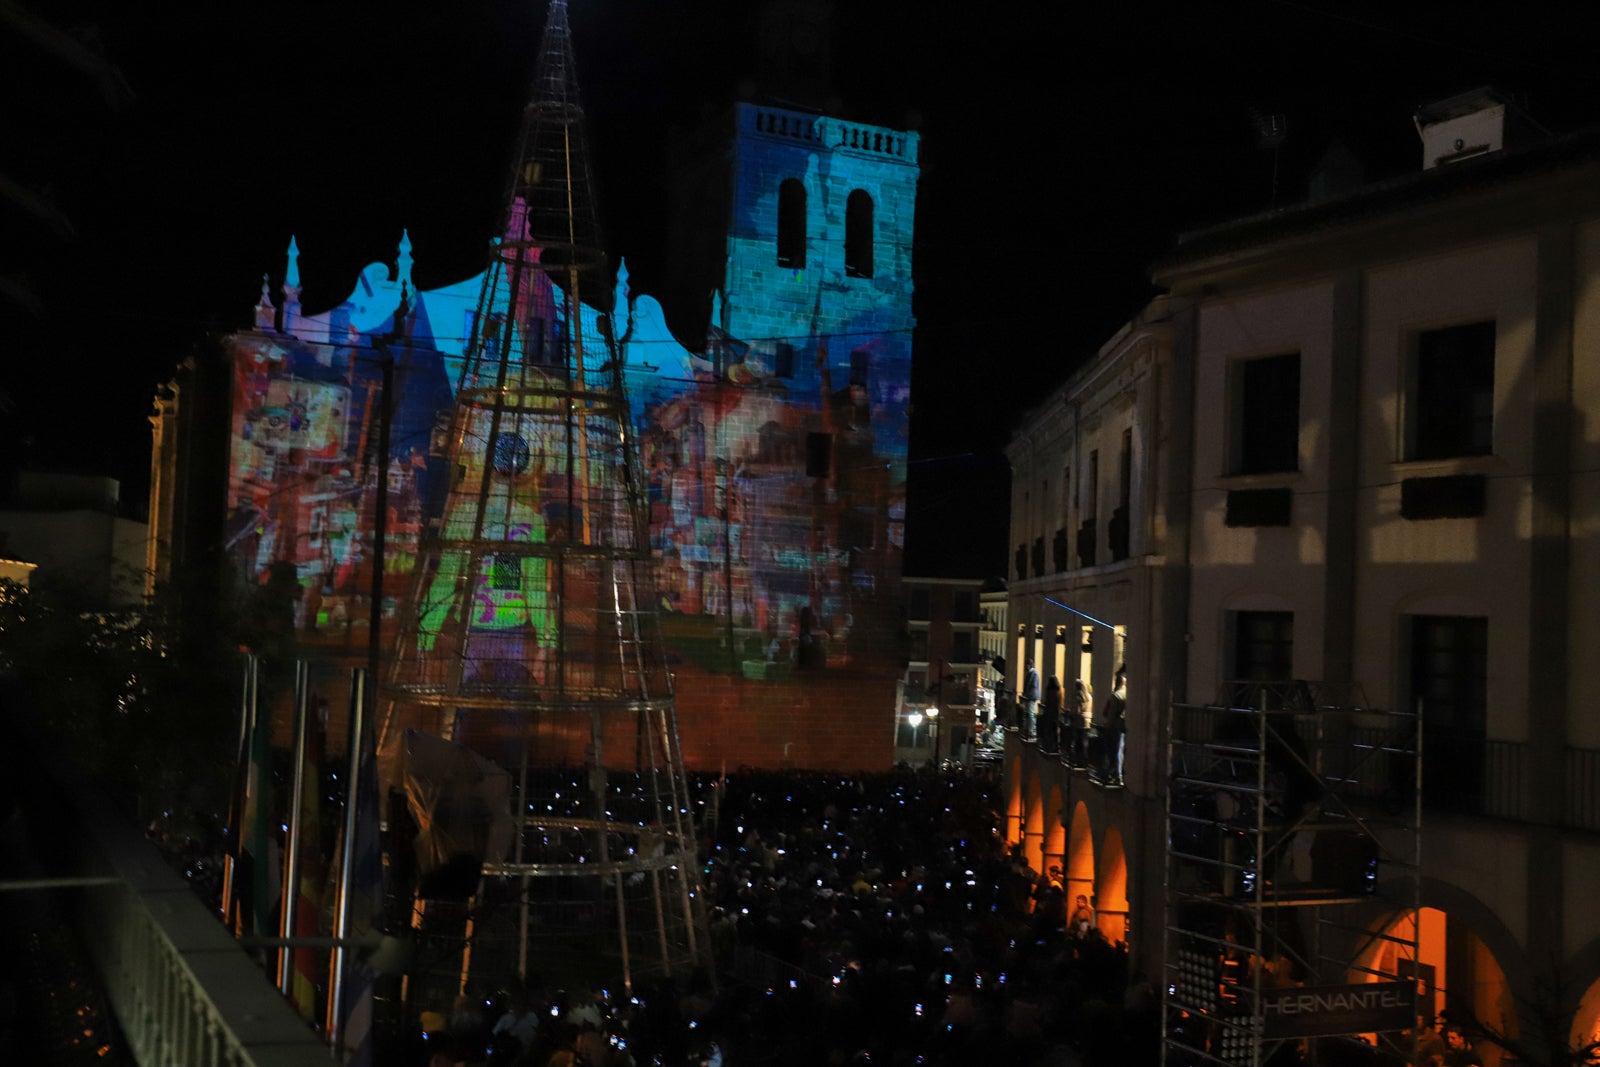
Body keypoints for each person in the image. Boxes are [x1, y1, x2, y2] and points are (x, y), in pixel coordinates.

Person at [1098, 668, 1127, 786]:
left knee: (1113, 752)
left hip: (1114, 728)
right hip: (1123, 728)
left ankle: (1114, 774)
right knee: (1120, 751)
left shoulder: (1116, 696)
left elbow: (1110, 715)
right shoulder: (1128, 694)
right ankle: (1119, 775)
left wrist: (1107, 726)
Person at [1070, 678, 1093, 769]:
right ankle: (1085, 762)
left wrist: (1071, 712)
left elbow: (1077, 711)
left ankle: (1079, 761)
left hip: (1079, 722)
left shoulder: (1078, 697)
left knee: (1078, 743)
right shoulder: (1089, 697)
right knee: (1085, 743)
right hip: (1087, 722)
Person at [1038, 675, 1062, 755]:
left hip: (1049, 714)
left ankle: (1048, 746)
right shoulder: (1059, 691)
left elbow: (1047, 703)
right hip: (1056, 714)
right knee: (1055, 731)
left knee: (1049, 730)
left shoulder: (1049, 691)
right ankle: (1056, 747)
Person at [1020, 658, 1040, 740]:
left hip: (1031, 696)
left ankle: (1031, 730)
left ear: (1028, 665)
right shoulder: (1033, 673)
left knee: (1031, 713)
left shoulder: (1033, 673)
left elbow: (1029, 685)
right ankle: (1029, 729)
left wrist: (1025, 695)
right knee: (1029, 713)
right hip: (1031, 696)